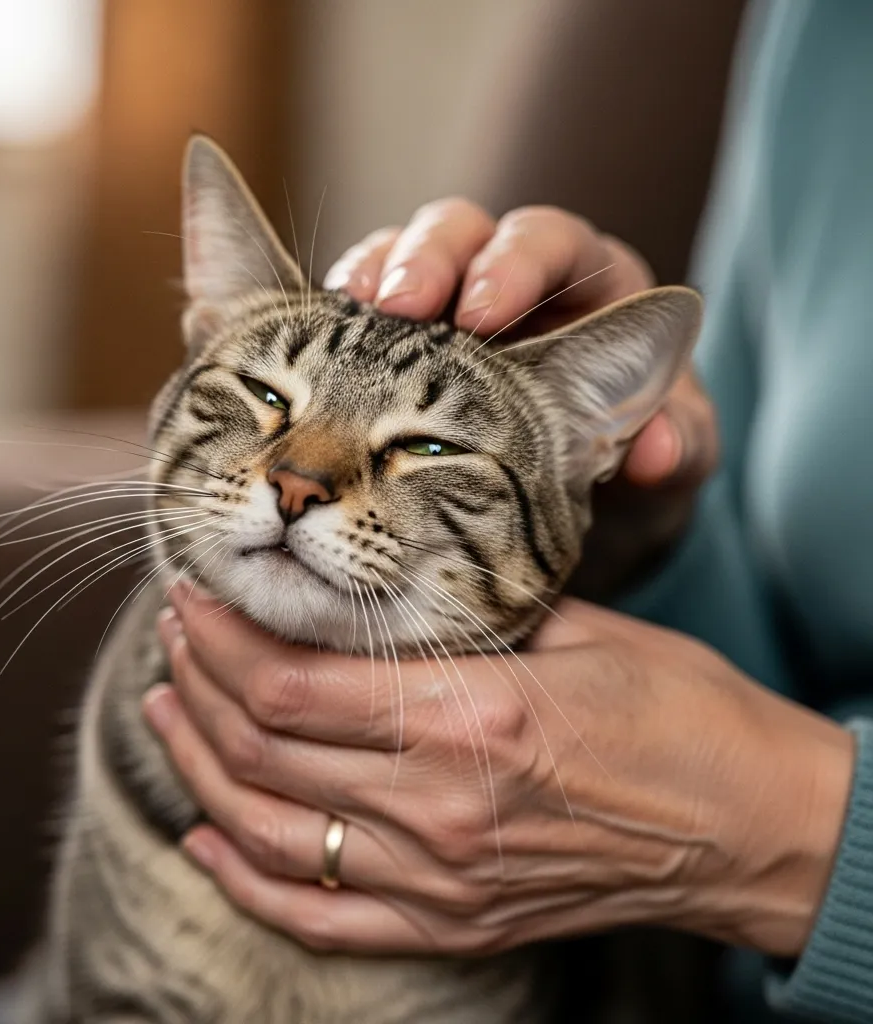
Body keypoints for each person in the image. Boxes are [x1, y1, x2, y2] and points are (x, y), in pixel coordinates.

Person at [144, 2, 873, 1021]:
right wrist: (636, 525)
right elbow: (761, 626)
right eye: (275, 406)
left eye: (416, 445)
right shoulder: (817, 28)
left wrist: (795, 836)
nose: (300, 481)